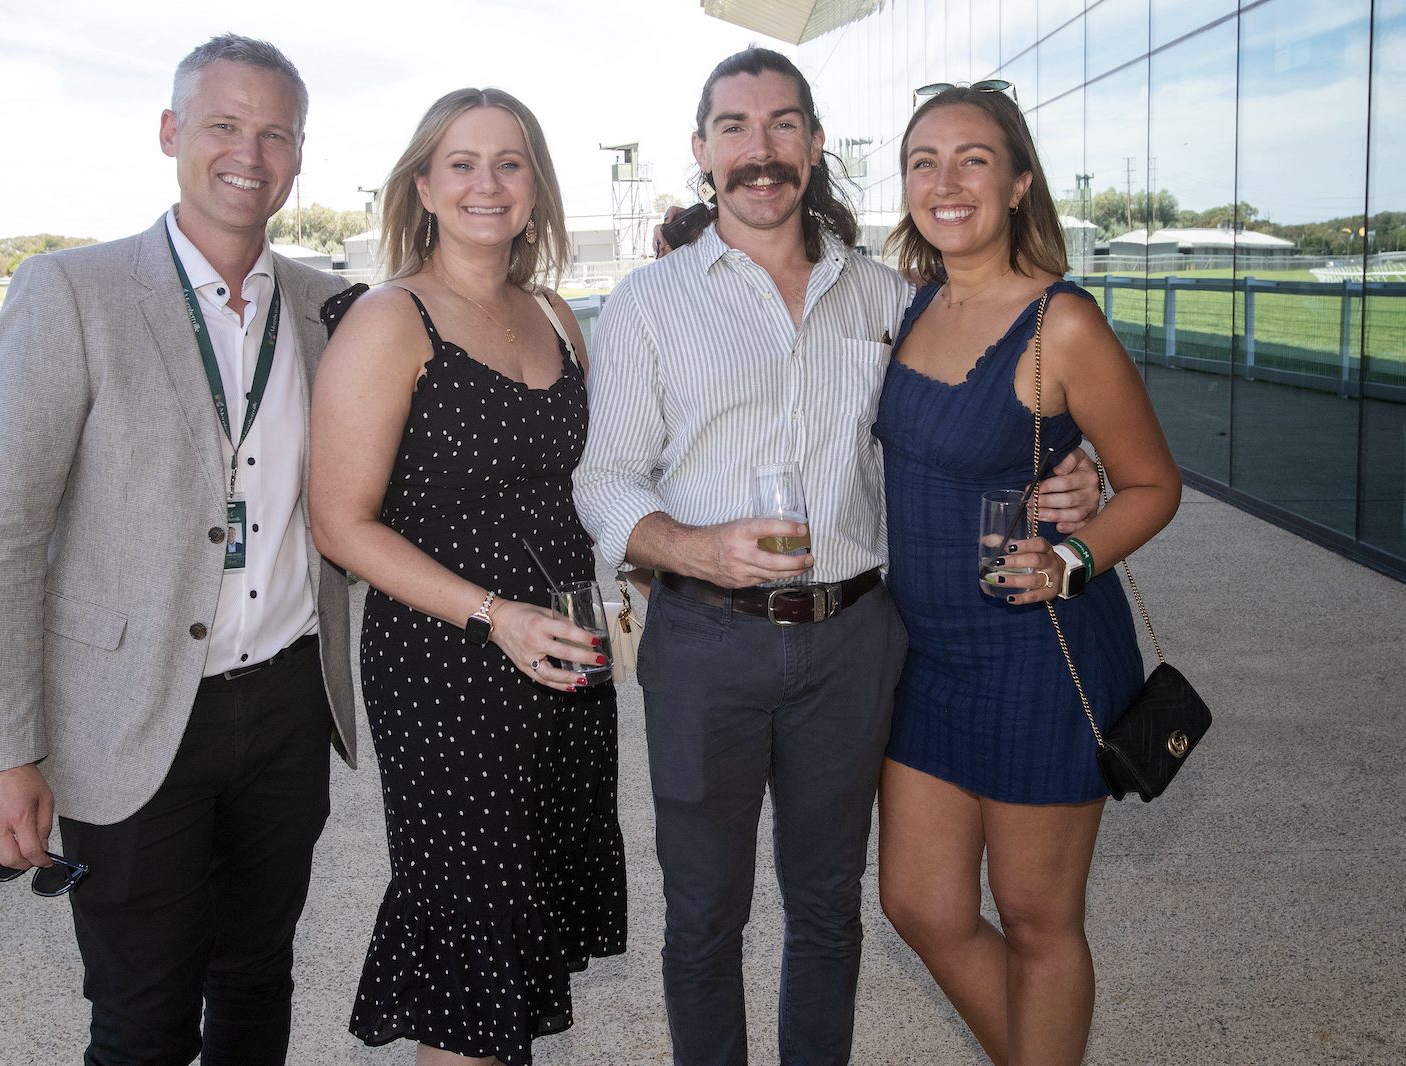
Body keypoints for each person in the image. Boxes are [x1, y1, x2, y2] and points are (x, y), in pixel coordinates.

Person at [572, 49, 1098, 1066]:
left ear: (815, 147)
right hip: (701, 643)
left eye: (781, 127)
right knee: (703, 913)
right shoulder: (647, 302)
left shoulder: (889, 298)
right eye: (733, 127)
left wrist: (1070, 474)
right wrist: (690, 546)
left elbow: (984, 409)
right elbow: (605, 480)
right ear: (700, 151)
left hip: (855, 642)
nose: (758, 152)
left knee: (827, 907)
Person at [0, 34, 357, 1066]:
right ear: (173, 133)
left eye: (275, 133)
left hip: (285, 703)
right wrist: (4, 750)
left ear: (299, 155)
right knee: (141, 1017)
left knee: (259, 976)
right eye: (224, 124)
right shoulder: (70, 293)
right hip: (131, 714)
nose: (249, 153)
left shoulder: (329, 308)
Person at [308, 87, 626, 1066]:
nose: (487, 183)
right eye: (462, 163)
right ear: (424, 186)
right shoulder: (389, 318)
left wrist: (626, 585)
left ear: (535, 188)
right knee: (472, 956)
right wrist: (494, 615)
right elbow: (339, 522)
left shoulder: (555, 315)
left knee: (524, 929)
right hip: (447, 666)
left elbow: (594, 479)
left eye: (509, 162)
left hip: (563, 660)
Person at [873, 85, 1181, 1065]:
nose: (946, 180)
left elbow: (1150, 483)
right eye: (924, 159)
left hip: (1033, 656)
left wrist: (1071, 553)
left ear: (1018, 183)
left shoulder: (1062, 325)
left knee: (1037, 917)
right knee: (918, 904)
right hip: (923, 655)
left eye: (972, 158)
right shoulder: (909, 302)